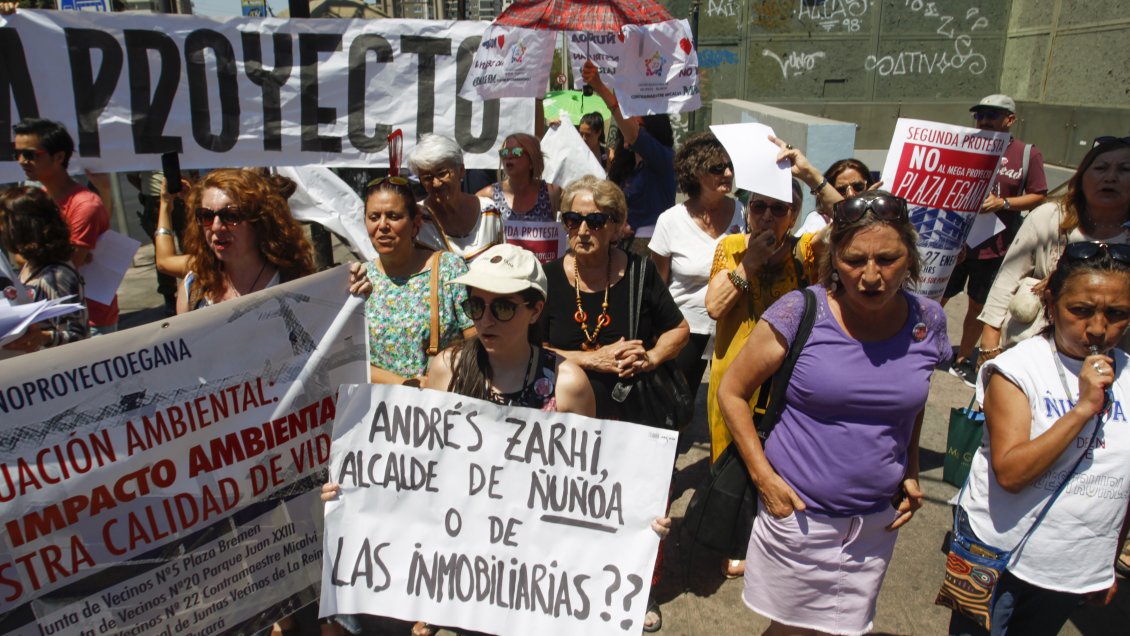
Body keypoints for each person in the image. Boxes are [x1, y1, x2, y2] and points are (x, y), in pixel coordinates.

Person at [324, 244, 671, 636]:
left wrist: (636, 521)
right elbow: (422, 466)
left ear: (534, 310)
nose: (486, 319)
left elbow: (587, 489)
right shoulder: (447, 371)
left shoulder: (568, 384)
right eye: (476, 306)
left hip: (536, 576)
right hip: (466, 574)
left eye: (503, 307)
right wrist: (355, 490)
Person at [718, 138, 950, 636]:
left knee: (845, 627)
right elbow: (731, 392)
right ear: (832, 259)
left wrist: (909, 467)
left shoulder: (928, 320)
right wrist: (765, 480)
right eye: (853, 260)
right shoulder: (800, 311)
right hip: (799, 515)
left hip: (874, 522)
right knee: (792, 630)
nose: (870, 276)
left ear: (909, 257)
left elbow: (913, 399)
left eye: (887, 260)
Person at [948, 242, 1130, 636]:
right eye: (1081, 311)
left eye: (1117, 314)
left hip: (1071, 567)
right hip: (996, 557)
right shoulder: (1017, 369)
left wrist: (1106, 562)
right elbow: (1011, 472)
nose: (1098, 328)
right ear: (1051, 301)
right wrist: (1082, 409)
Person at [702, 180, 814, 579]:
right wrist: (748, 263)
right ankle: (733, 539)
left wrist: (813, 175)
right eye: (759, 206)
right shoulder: (730, 248)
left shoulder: (808, 252)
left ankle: (772, 538)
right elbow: (714, 306)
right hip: (734, 379)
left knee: (781, 458)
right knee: (731, 458)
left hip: (786, 378)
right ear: (746, 211)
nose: (767, 216)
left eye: (778, 209)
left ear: (794, 216)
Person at [541, 175, 689, 422]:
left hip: (631, 416)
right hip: (566, 418)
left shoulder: (640, 271)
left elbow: (679, 330)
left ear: (616, 227)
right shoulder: (548, 278)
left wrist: (651, 358)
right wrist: (591, 360)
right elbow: (536, 350)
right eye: (573, 220)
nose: (584, 231)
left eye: (596, 221)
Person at [978, 136, 1130, 363]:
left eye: (1125, 169)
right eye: (1101, 168)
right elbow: (1007, 278)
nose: (1110, 177)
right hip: (1033, 348)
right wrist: (989, 342)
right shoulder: (1048, 217)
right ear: (1081, 177)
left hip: (1112, 357)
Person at [944, 95, 1048, 386]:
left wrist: (1003, 203)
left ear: (1010, 119)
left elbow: (1039, 195)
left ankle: (963, 358)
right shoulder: (963, 146)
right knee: (937, 298)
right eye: (980, 115)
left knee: (977, 306)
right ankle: (920, 346)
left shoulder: (1026, 154)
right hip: (956, 244)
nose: (985, 120)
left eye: (993, 114)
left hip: (996, 248)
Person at [649, 132, 745, 403]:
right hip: (686, 328)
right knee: (676, 403)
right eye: (718, 168)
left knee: (730, 401)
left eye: (730, 166)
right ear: (696, 173)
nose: (727, 173)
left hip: (731, 326)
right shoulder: (670, 221)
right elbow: (658, 284)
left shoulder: (744, 213)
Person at [362, 176, 473, 385]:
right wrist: (403, 384)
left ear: (415, 224)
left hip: (441, 404)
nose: (383, 225)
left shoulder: (448, 270)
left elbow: (476, 341)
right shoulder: (360, 279)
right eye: (374, 217)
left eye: (393, 216)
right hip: (380, 409)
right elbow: (350, 363)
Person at [13, 118, 118, 334]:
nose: (22, 161)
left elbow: (68, 266)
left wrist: (33, 254)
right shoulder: (37, 199)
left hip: (88, 319)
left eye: (31, 154)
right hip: (48, 312)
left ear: (59, 156)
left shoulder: (84, 204)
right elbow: (18, 256)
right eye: (18, 154)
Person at [177, 169, 315, 313]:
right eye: (206, 216)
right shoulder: (194, 288)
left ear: (260, 222)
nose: (216, 227)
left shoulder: (296, 284)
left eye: (231, 216)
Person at [581, 60, 676, 252]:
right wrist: (618, 225)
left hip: (652, 249)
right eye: (626, 123)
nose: (627, 129)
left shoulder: (664, 159)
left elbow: (633, 135)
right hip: (622, 247)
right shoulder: (626, 167)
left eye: (635, 124)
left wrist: (600, 87)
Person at [0, 186, 89, 352]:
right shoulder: (32, 264)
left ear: (21, 227)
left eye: (3, 223)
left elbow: (79, 336)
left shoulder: (56, 276)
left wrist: (42, 337)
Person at [408, 134, 503, 262]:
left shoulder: (489, 212)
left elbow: (504, 264)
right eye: (427, 178)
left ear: (461, 170)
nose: (436, 183)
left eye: (442, 173)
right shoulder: (417, 219)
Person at [476, 132, 562, 223]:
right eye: (504, 152)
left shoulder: (552, 193)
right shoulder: (487, 196)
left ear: (532, 160)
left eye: (516, 152)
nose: (508, 157)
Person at [794, 158, 878, 235]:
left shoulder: (880, 219)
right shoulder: (818, 222)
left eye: (858, 187)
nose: (851, 194)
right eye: (841, 190)